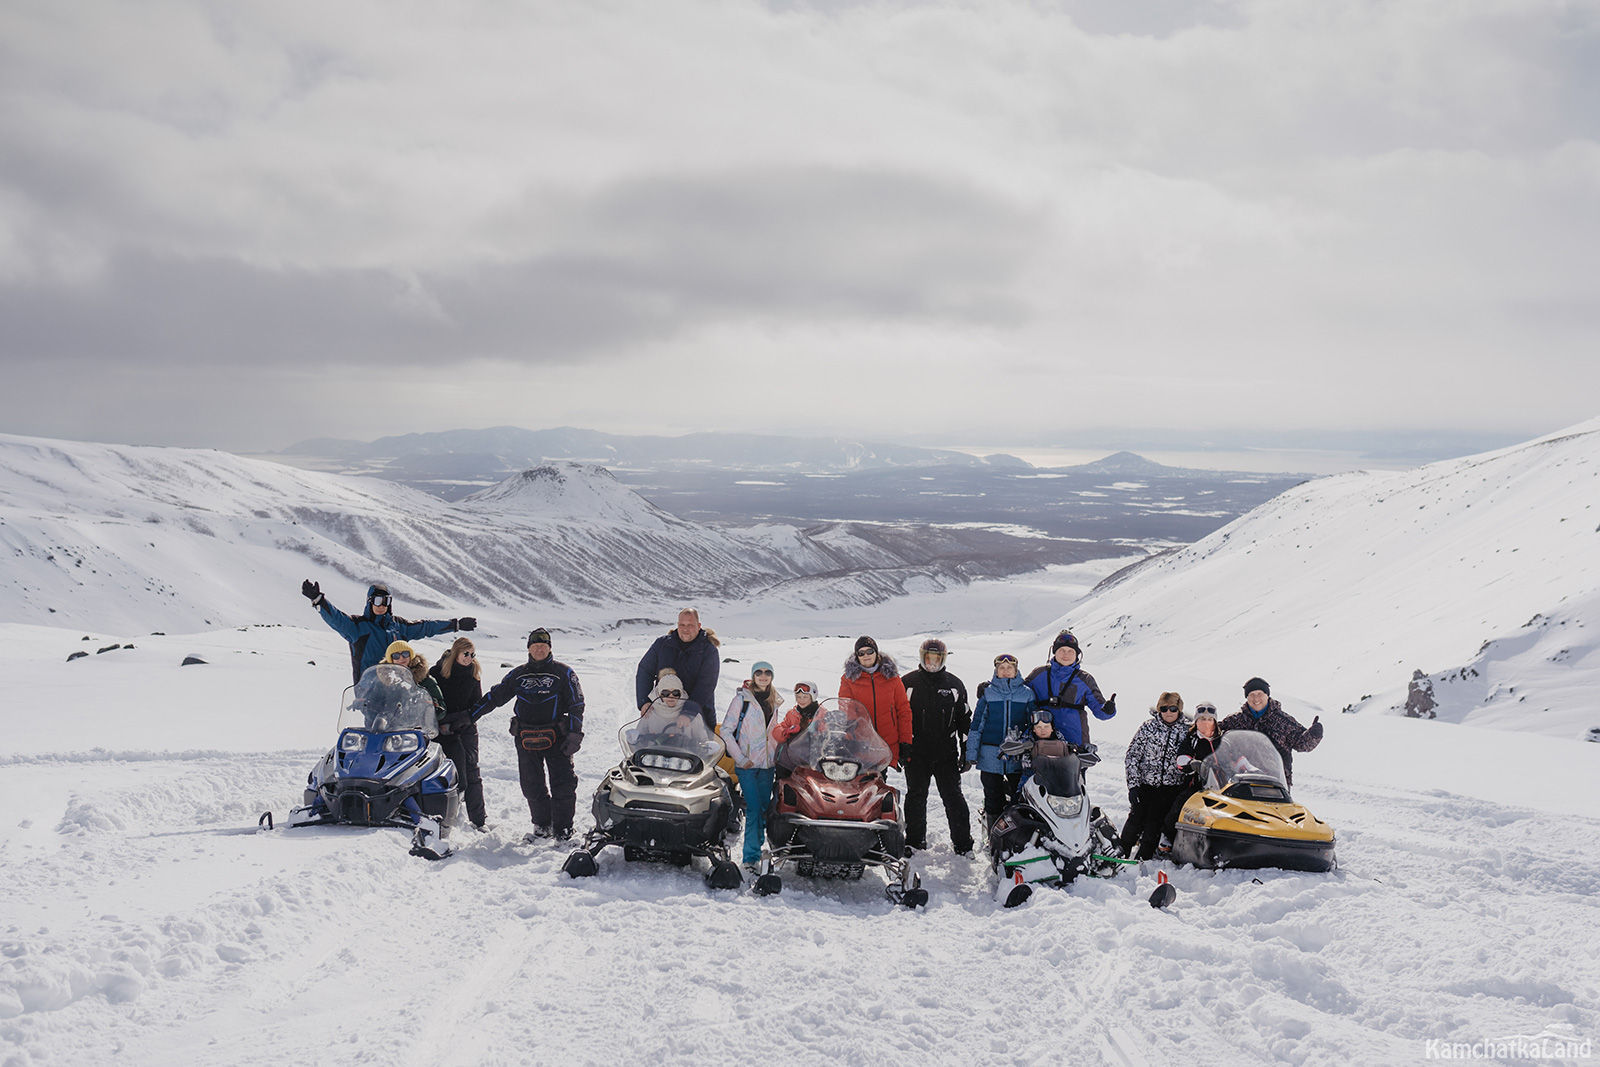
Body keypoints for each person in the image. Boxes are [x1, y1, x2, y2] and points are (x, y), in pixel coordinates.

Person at [470, 628, 585, 841]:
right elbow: (495, 697)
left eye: (543, 646)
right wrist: (469, 717)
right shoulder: (518, 674)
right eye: (535, 646)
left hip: (558, 738)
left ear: (550, 648)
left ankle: (563, 830)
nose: (539, 649)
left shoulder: (564, 673)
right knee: (532, 785)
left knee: (563, 784)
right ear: (529, 649)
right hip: (526, 738)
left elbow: (577, 705)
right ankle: (542, 825)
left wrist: (574, 735)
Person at [301, 579, 476, 683]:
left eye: (386, 601)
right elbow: (336, 618)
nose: (382, 605)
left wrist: (455, 625)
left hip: (398, 689)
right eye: (377, 601)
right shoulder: (357, 627)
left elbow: (426, 627)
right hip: (369, 692)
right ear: (370, 602)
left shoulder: (398, 626)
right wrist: (318, 600)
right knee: (377, 731)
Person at [901, 638, 974, 855]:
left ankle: (963, 845)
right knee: (916, 796)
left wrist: (966, 751)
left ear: (943, 659)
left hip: (945, 752)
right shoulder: (907, 683)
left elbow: (964, 720)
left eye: (936, 659)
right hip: (916, 752)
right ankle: (914, 842)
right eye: (928, 658)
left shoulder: (954, 684)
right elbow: (898, 717)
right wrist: (901, 747)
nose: (932, 663)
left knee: (953, 797)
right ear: (922, 657)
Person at [965, 653, 1037, 834]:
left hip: (1017, 755)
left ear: (1016, 670)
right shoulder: (988, 693)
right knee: (993, 798)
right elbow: (977, 724)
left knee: (1019, 798)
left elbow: (1034, 724)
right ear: (996, 671)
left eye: (1009, 668)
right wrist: (971, 752)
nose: (1005, 671)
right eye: (1001, 668)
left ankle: (1018, 836)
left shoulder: (1027, 693)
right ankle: (994, 836)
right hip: (990, 755)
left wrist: (1030, 747)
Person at [721, 662, 783, 867]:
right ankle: (750, 858)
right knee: (754, 809)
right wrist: (740, 758)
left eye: (767, 672)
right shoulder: (742, 699)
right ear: (753, 676)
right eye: (759, 672)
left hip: (767, 766)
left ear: (772, 676)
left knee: (763, 810)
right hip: (747, 765)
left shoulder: (774, 700)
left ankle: (756, 849)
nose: (763, 676)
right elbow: (726, 731)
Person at [1119, 692, 1191, 860]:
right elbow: (1132, 756)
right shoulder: (1148, 727)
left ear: (1179, 709)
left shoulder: (1186, 731)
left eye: (1173, 708)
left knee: (1154, 823)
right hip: (1146, 785)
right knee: (1135, 818)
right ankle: (1121, 852)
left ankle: (1143, 858)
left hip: (1170, 788)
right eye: (1164, 709)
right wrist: (1134, 786)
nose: (1168, 712)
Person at [428, 636, 488, 831]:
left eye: (472, 655)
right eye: (466, 654)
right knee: (438, 770)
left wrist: (461, 720)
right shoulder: (437, 672)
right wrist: (441, 722)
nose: (469, 658)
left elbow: (477, 706)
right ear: (456, 653)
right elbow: (428, 701)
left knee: (471, 771)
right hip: (440, 729)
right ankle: (437, 815)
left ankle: (478, 820)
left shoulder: (473, 674)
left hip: (465, 728)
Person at [1218, 678, 1324, 787]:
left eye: (1260, 694)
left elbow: (1301, 743)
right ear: (1247, 697)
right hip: (1240, 781)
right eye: (1252, 694)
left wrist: (1313, 735)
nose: (1256, 698)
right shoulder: (1236, 720)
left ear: (1267, 695)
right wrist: (1206, 722)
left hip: (1275, 784)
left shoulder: (1283, 721)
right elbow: (1214, 732)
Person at [1024, 630, 1116, 748]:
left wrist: (1108, 710)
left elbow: (1100, 712)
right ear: (1054, 652)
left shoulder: (1085, 679)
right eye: (1062, 650)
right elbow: (1020, 695)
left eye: (1070, 651)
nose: (1065, 654)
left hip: (1075, 742)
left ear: (1077, 655)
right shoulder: (1038, 674)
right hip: (1040, 739)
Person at [635, 609, 722, 729]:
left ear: (699, 626)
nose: (685, 629)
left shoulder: (708, 650)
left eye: (690, 625)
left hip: (698, 717)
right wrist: (645, 701)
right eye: (682, 625)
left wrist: (688, 712)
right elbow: (645, 671)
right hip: (662, 714)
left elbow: (706, 685)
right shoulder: (662, 645)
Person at [838, 637, 913, 770]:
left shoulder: (892, 677)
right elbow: (847, 713)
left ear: (876, 653)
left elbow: (903, 711)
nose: (866, 656)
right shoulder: (849, 680)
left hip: (887, 743)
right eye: (861, 653)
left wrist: (905, 742)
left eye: (869, 651)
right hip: (861, 745)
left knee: (880, 780)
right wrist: (851, 740)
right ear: (857, 656)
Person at [1161, 701, 1225, 847]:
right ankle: (1167, 837)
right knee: (1181, 804)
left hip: (1222, 786)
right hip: (1197, 785)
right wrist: (1192, 763)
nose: (1206, 723)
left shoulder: (1222, 740)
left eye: (1209, 719)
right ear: (1196, 722)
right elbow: (1181, 758)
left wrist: (1247, 767)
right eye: (1202, 719)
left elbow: (1235, 758)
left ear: (1215, 721)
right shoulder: (1192, 739)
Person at [769, 680, 822, 770]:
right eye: (798, 697)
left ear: (812, 697)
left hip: (812, 761)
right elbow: (776, 731)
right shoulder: (792, 714)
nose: (801, 700)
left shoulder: (821, 714)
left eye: (805, 697)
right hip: (789, 760)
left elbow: (828, 734)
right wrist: (786, 731)